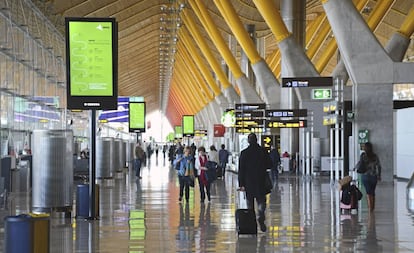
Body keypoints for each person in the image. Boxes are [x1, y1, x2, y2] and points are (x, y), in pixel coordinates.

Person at [238, 133, 270, 232]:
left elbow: (241, 170)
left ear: (248, 141)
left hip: (249, 183)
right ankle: (260, 215)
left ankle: (252, 224)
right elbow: (270, 164)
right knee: (261, 201)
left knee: (250, 204)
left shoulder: (244, 153)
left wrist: (241, 184)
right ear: (257, 140)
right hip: (261, 181)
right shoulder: (263, 151)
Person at [358, 142, 381, 212]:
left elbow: (359, 164)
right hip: (373, 177)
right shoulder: (375, 156)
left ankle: (370, 208)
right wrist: (379, 175)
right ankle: (372, 207)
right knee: (372, 192)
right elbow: (379, 166)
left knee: (368, 193)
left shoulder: (363, 156)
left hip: (365, 176)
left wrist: (355, 168)